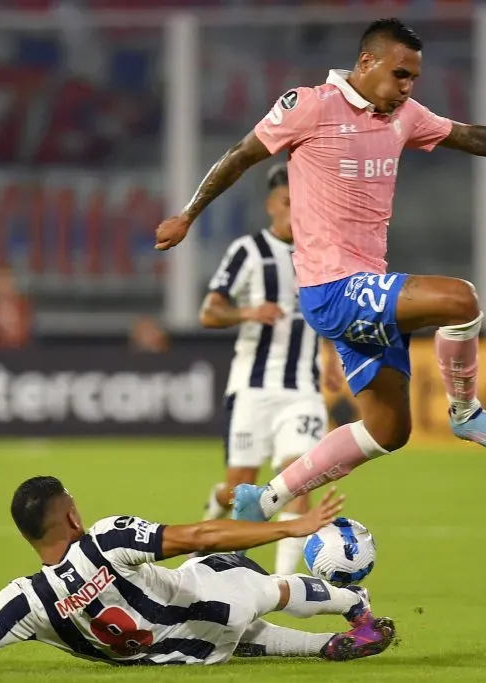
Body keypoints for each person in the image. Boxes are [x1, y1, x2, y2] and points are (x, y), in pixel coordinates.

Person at [155, 18, 486, 524]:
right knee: (461, 301)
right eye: (400, 75)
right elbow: (241, 156)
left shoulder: (404, 115)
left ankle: (266, 500)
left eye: (413, 79)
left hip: (364, 288)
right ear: (367, 63)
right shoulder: (311, 105)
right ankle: (465, 411)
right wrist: (188, 214)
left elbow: (474, 137)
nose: (407, 88)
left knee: (388, 431)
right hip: (333, 288)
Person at [0, 477, 394, 670]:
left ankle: (322, 648)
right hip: (207, 607)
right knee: (258, 583)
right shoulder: (105, 538)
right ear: (72, 514)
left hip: (172, 656)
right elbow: (198, 531)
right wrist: (289, 527)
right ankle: (352, 605)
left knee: (218, 597)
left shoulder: (21, 601)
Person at [198, 163, 341, 575]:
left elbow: (329, 310)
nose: (297, 212)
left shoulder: (322, 254)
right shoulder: (248, 251)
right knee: (238, 489)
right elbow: (209, 312)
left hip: (303, 388)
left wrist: (330, 359)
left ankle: (283, 583)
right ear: (272, 205)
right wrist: (248, 312)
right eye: (288, 203)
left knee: (298, 479)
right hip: (253, 388)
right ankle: (215, 507)